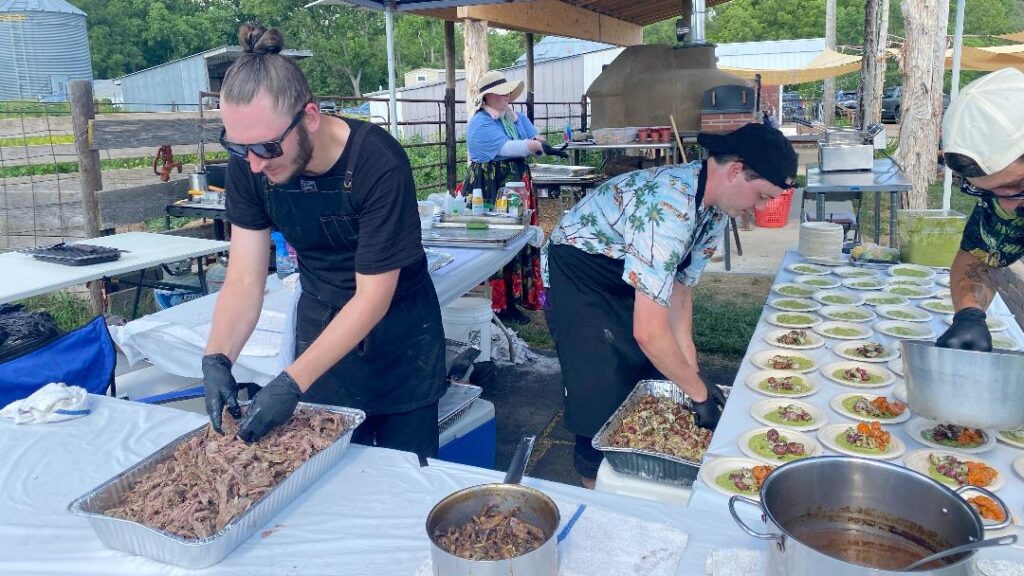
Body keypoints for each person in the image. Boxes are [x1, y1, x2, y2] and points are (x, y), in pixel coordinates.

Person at [201, 24, 445, 463]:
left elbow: (372, 298)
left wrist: (291, 382)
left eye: (266, 148)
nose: (253, 165)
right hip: (320, 328)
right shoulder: (249, 162)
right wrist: (217, 358)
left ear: (310, 116)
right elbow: (242, 278)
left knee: (403, 478)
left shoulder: (377, 162)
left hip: (400, 338)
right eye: (238, 148)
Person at [544, 122, 798, 486]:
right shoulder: (668, 207)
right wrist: (698, 392)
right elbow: (648, 331)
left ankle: (641, 482)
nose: (757, 209)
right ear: (736, 171)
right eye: (760, 197)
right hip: (581, 275)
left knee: (657, 372)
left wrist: (690, 370)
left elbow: (680, 290)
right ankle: (595, 496)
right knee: (599, 391)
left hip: (623, 274)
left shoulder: (713, 211)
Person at [463, 70, 568, 324]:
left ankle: (516, 297)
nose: (507, 96)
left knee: (518, 236)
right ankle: (497, 303)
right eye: (501, 92)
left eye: (508, 92)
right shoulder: (481, 123)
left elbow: (533, 136)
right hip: (490, 185)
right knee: (497, 238)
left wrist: (543, 144)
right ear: (487, 96)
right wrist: (536, 147)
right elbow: (509, 148)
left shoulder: (513, 117)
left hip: (516, 183)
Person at [936, 68, 1024, 352]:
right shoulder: (1004, 200)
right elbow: (981, 258)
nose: (1006, 204)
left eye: (1016, 185)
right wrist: (969, 314)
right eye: (987, 191)